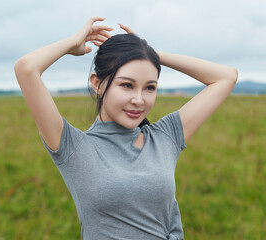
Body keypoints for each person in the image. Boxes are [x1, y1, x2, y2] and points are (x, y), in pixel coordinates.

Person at [14, 17, 238, 240]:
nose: (139, 100)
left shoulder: (165, 137)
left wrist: (149, 54)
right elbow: (26, 68)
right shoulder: (73, 147)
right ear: (97, 83)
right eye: (127, 85)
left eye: (149, 88)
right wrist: (72, 43)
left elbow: (226, 77)